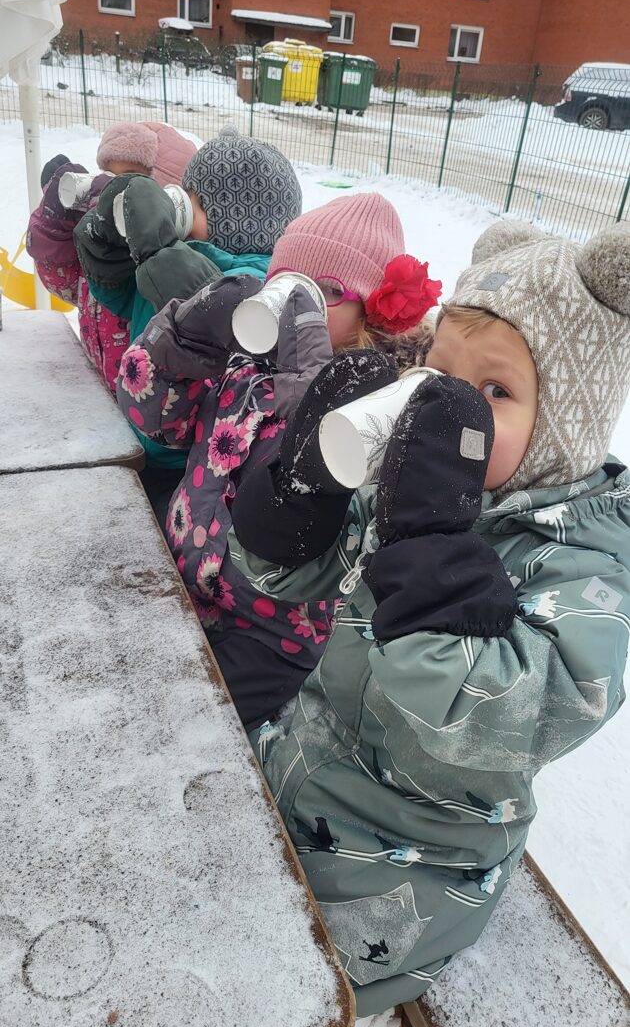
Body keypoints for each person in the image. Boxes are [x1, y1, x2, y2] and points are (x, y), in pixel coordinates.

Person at [228, 219, 630, 1016]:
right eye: (439, 375)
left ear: (565, 426)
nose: (448, 410)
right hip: (299, 765)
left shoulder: (589, 572)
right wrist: (300, 491)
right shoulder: (416, 492)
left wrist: (429, 546)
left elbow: (484, 724)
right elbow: (280, 577)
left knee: (262, 1000)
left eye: (495, 392)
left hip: (405, 872)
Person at [115, 192, 442, 724]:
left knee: (182, 721)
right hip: (185, 574)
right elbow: (158, 423)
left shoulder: (379, 405)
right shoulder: (243, 366)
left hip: (272, 633)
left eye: (326, 292)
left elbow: (330, 516)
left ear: (372, 314)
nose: (297, 304)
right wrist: (181, 340)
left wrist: (306, 393)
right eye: (287, 279)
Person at [69, 126, 302, 522]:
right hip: (143, 438)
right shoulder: (174, 257)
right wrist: (106, 251)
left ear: (231, 218)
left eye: (190, 203)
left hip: (189, 471)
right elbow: (124, 299)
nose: (177, 210)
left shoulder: (255, 288)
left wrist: (159, 252)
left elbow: (210, 311)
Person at [26, 121, 197, 392]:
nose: (115, 189)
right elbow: (63, 281)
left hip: (146, 401)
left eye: (130, 179)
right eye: (108, 176)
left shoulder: (171, 262)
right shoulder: (99, 247)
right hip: (101, 393)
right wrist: (57, 219)